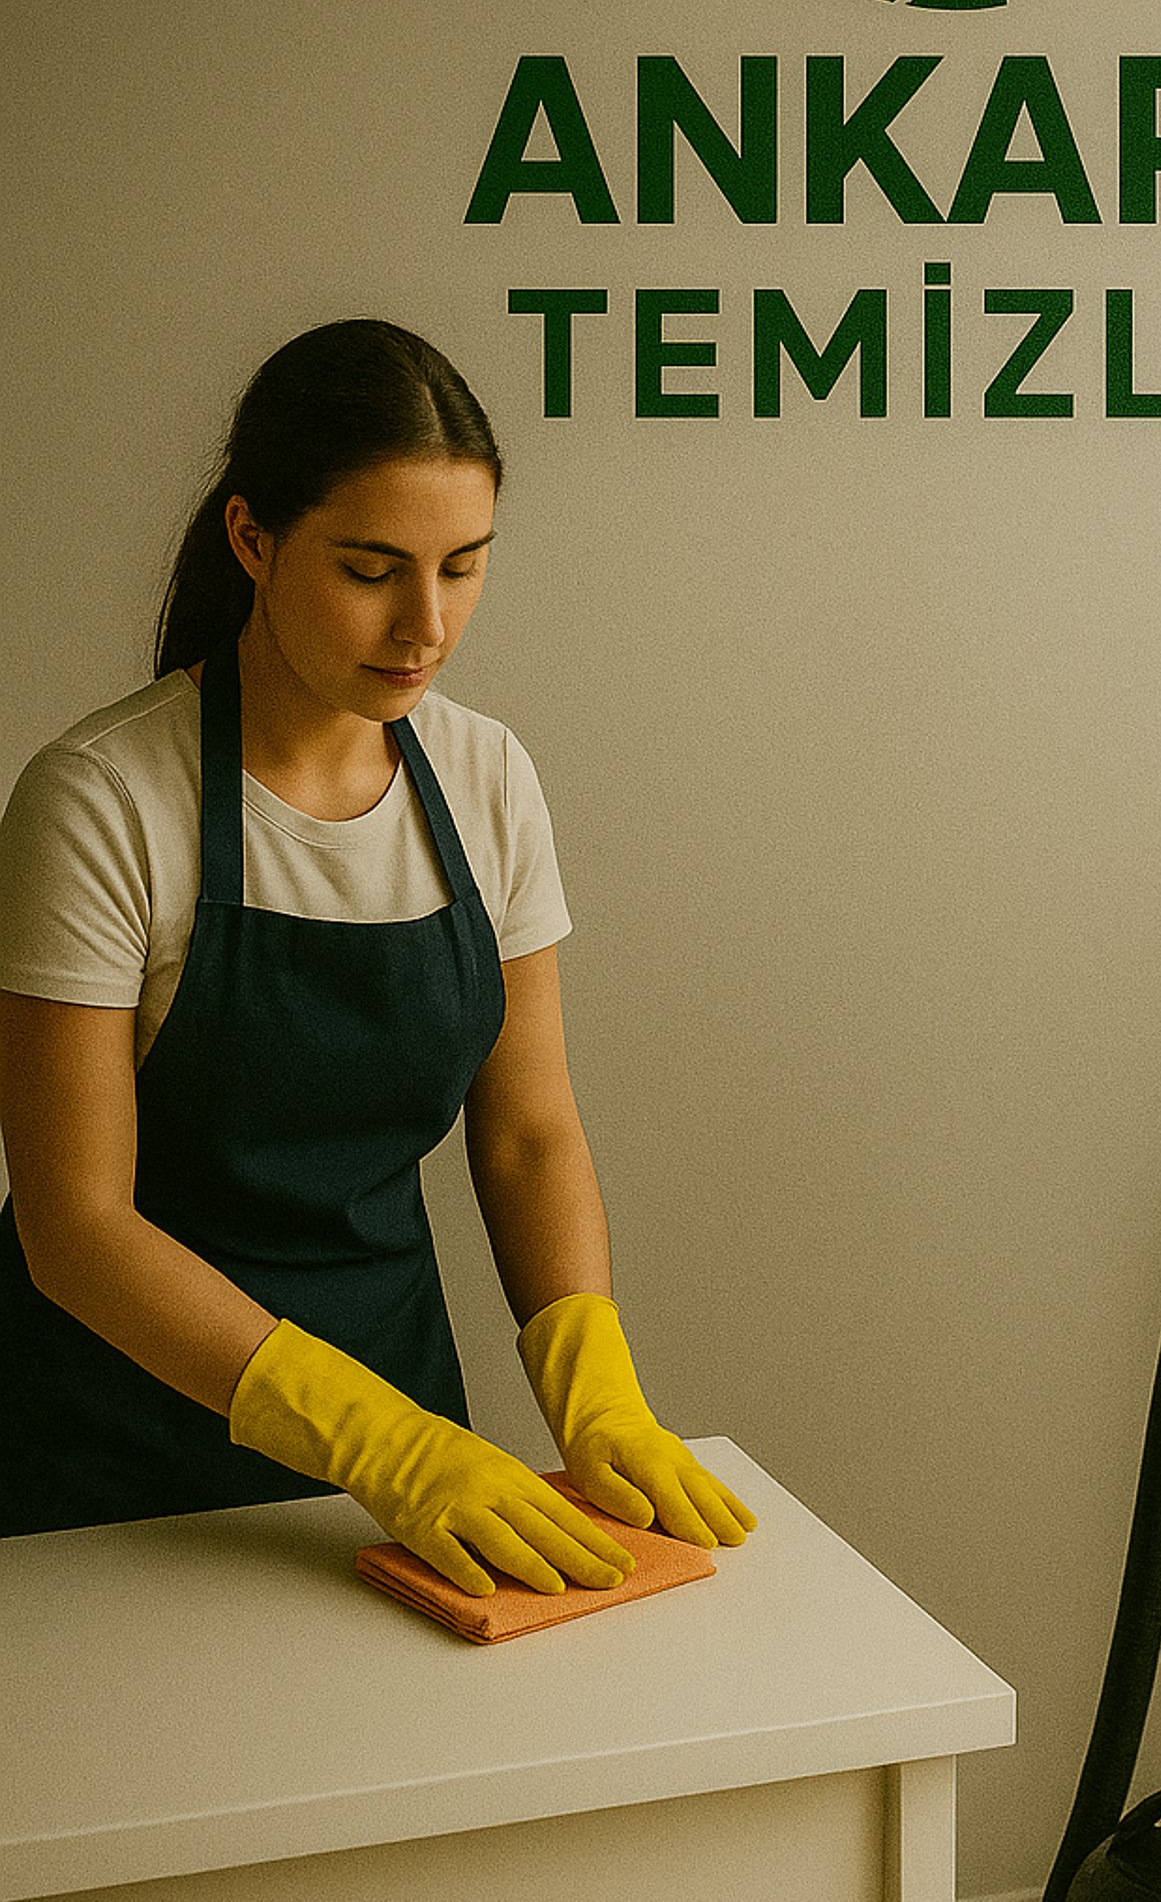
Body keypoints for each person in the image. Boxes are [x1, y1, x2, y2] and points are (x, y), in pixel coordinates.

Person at [0, 318, 753, 1591]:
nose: (426, 624)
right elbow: (75, 1227)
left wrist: (597, 1391)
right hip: (111, 1468)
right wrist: (372, 1438)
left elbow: (528, 1134)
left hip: (401, 1464)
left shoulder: (486, 777)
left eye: (464, 566)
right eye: (372, 570)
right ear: (253, 540)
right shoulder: (102, 801)